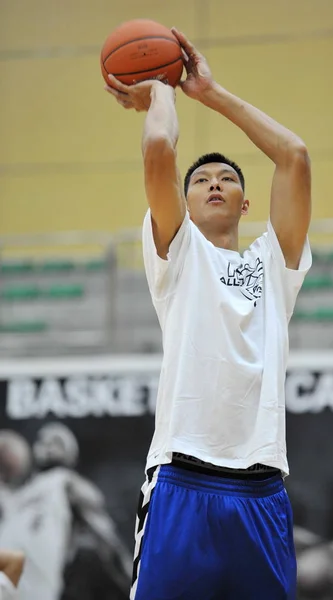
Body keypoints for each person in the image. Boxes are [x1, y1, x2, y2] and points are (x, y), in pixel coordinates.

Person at [105, 27, 311, 600]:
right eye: (200, 181)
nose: (213, 183)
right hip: (181, 480)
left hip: (263, 490)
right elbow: (158, 152)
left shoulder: (274, 263)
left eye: (227, 180)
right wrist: (161, 87)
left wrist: (211, 93)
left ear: (247, 204)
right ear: (185, 204)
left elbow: (293, 156)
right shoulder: (179, 253)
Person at [0, 424, 131, 600]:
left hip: (21, 581)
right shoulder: (22, 492)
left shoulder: (61, 485)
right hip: (20, 583)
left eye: (57, 442)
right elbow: (110, 545)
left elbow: (109, 544)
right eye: (46, 441)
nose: (49, 447)